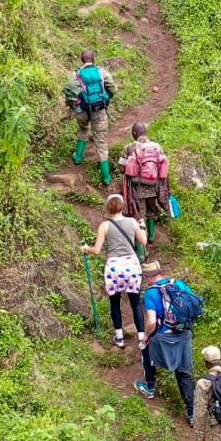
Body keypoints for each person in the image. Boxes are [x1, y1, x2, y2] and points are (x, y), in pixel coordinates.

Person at [80, 194, 147, 348]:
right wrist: (142, 227)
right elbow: (143, 242)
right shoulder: (132, 222)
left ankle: (119, 338)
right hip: (131, 265)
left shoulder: (105, 226)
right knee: (135, 302)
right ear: (122, 206)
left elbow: (96, 250)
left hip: (114, 268)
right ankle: (142, 338)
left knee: (114, 303)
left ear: (108, 208)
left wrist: (86, 249)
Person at [134, 271, 201, 418]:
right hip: (183, 335)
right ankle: (192, 413)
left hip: (163, 338)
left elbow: (152, 322)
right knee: (184, 372)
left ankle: (150, 387)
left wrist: (145, 336)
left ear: (148, 277)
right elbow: (195, 302)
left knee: (145, 348)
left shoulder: (150, 293)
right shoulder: (179, 283)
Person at [65, 50, 115, 184]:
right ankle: (106, 177)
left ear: (81, 60)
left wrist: (73, 106)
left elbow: (70, 93)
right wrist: (104, 99)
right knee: (101, 142)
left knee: (83, 129)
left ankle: (78, 157)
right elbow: (113, 88)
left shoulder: (76, 75)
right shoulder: (102, 72)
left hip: (82, 110)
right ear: (94, 59)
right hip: (99, 110)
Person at [118, 122, 169, 242]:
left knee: (139, 215)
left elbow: (121, 168)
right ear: (145, 132)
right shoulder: (157, 147)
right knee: (151, 209)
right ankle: (151, 236)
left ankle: (141, 251)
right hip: (155, 186)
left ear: (135, 133)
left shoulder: (129, 147)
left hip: (137, 187)